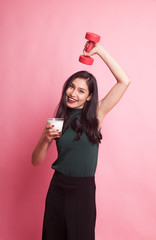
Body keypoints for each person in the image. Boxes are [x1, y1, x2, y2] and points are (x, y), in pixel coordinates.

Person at [32, 42, 130, 240]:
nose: (73, 93)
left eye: (81, 91)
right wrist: (44, 138)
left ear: (89, 97)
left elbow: (124, 81)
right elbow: (35, 161)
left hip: (83, 191)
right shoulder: (58, 120)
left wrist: (99, 51)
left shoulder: (96, 115)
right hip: (57, 189)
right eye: (71, 87)